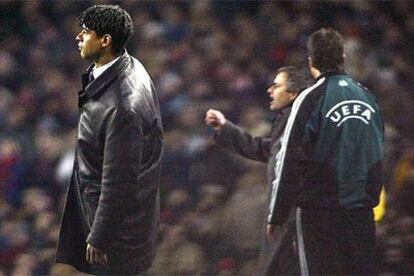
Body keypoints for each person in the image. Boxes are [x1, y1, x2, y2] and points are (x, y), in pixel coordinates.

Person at [55, 5, 163, 275]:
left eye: (86, 32)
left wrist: (100, 236)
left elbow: (120, 180)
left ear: (106, 40)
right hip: (108, 218)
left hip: (118, 236)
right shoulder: (125, 66)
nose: (78, 37)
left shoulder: (124, 106)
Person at [268, 28, 384, 275]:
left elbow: (288, 157)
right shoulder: (367, 97)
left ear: (311, 61)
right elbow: (377, 152)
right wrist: (370, 199)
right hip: (360, 212)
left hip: (319, 213)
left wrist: (277, 214)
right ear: (343, 56)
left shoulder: (309, 98)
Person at [205, 66, 312, 275]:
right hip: (286, 221)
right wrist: (225, 129)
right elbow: (266, 149)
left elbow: (290, 171)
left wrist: (278, 216)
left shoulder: (301, 124)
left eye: (277, 86)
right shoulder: (289, 120)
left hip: (294, 221)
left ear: (293, 93)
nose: (269, 90)